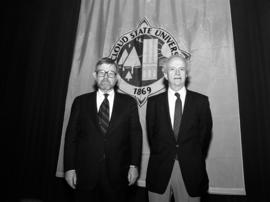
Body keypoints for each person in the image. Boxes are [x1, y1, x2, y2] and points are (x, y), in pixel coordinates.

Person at [64, 57, 142, 202]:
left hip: (118, 173)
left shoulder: (129, 103)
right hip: (85, 173)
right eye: (101, 73)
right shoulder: (80, 102)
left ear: (117, 78)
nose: (106, 77)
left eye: (111, 73)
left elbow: (135, 136)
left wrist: (134, 165)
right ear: (95, 75)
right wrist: (69, 168)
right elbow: (71, 137)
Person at [146, 55, 212, 202]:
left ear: (186, 74)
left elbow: (204, 137)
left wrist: (189, 154)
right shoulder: (153, 103)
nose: (177, 73)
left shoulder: (201, 102)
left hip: (191, 170)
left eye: (181, 69)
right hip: (160, 169)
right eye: (172, 69)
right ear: (165, 74)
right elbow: (152, 136)